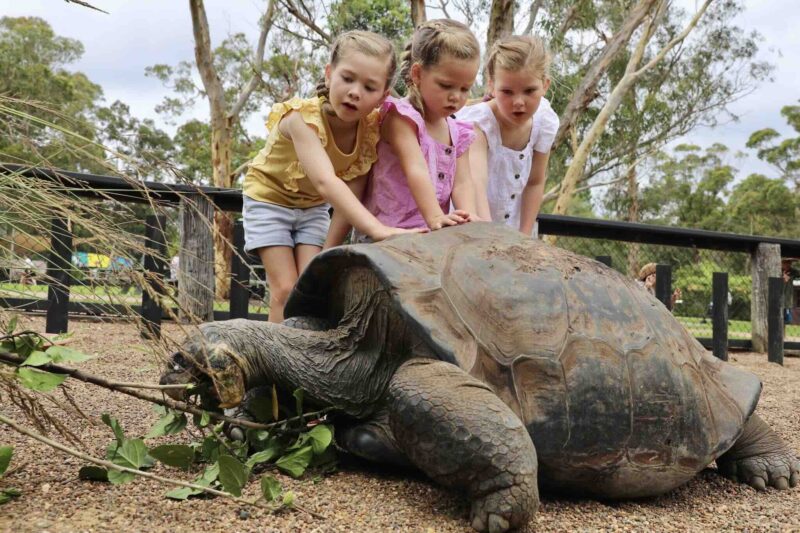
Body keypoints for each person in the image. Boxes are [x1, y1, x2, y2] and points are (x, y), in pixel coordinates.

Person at [242, 30, 422, 323]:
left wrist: (328, 253)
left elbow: (349, 195)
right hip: (269, 202)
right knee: (286, 288)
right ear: (329, 75)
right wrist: (377, 229)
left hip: (311, 210)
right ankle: (276, 363)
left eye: (369, 86)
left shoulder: (370, 131)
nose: (355, 91)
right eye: (347, 78)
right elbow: (327, 182)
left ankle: (305, 354)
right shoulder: (301, 118)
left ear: (383, 96)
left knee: (309, 289)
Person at [359, 19, 480, 237]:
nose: (456, 96)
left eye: (465, 88)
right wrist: (434, 217)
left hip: (431, 234)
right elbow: (416, 168)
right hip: (388, 232)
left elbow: (462, 183)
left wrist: (469, 218)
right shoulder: (401, 118)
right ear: (417, 74)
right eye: (446, 85)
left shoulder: (459, 132)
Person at [457, 35, 559, 237]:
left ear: (545, 85)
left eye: (529, 91)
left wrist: (524, 235)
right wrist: (489, 237)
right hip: (474, 226)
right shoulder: (477, 123)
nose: (519, 102)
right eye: (507, 91)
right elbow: (477, 181)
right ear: (492, 87)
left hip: (516, 231)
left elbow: (535, 182)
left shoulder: (544, 121)